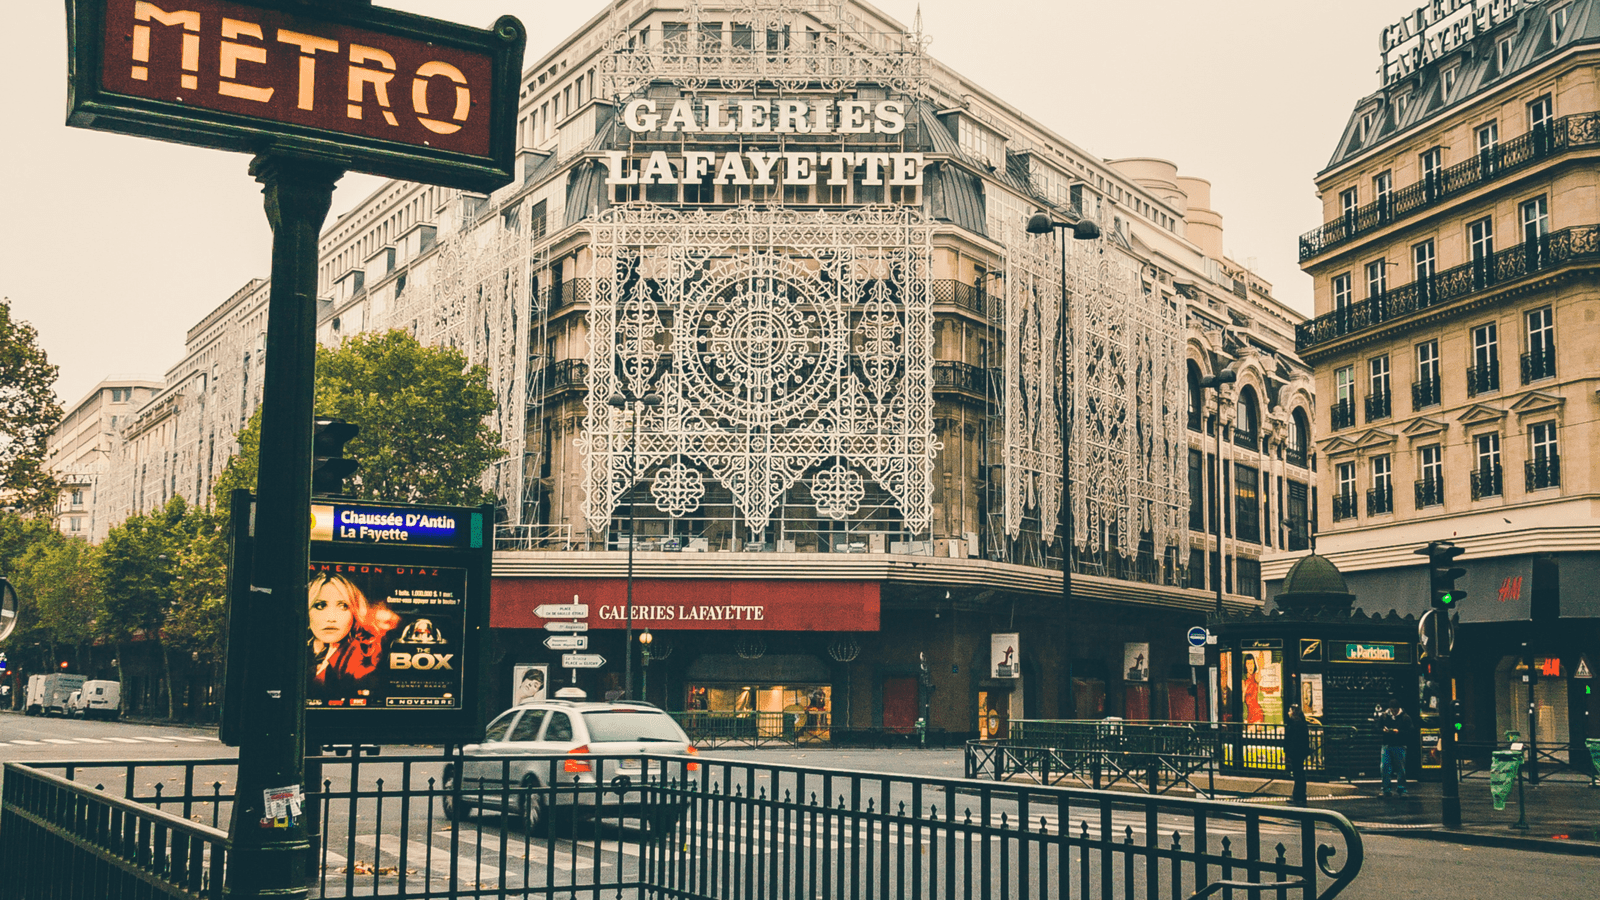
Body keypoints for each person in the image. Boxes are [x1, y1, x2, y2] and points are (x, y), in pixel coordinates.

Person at [307, 573, 399, 702]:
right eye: (320, 606)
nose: (331, 618)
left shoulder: (364, 654)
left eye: (343, 606)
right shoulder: (300, 651)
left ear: (355, 612)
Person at [1378, 698, 1413, 796]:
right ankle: (1385, 789)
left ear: (1399, 709)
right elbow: (1377, 727)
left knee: (1400, 768)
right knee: (1384, 767)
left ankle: (1401, 788)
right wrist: (1383, 729)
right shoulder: (1384, 716)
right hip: (1387, 745)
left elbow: (1410, 731)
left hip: (1400, 745)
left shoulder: (1405, 718)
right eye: (1392, 710)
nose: (1394, 713)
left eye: (1395, 710)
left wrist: (1399, 732)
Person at [1284, 702, 1310, 806]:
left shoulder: (1295, 724)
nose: (1288, 712)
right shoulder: (1300, 723)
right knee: (1299, 774)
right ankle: (1299, 795)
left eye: (1290, 711)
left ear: (1294, 712)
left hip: (1296, 753)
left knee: (1298, 774)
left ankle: (1298, 796)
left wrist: (1289, 753)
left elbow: (1293, 740)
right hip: (1300, 752)